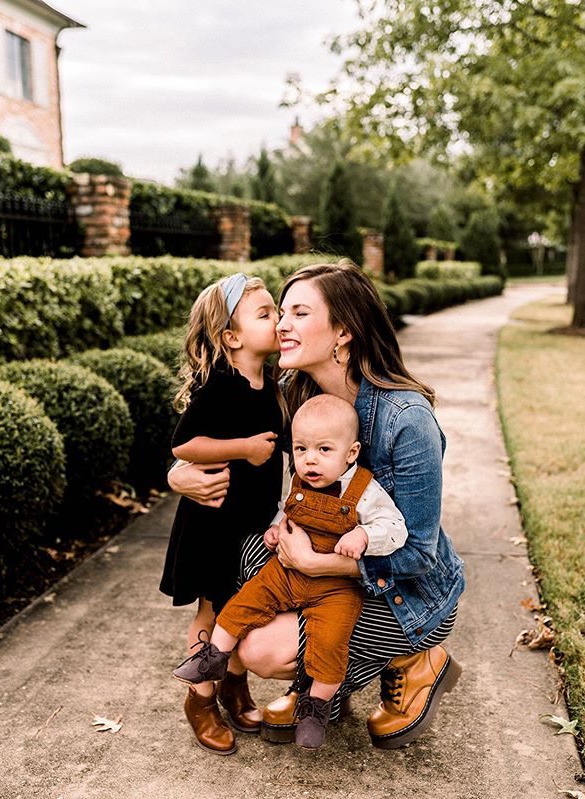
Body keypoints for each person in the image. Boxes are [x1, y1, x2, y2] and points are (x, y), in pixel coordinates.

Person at [168, 259, 465, 750]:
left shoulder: (406, 421)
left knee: (260, 649)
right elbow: (209, 432)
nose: (282, 324)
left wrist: (318, 562)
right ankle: (327, 677)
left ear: (343, 332)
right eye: (279, 313)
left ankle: (414, 661)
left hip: (406, 591)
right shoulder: (294, 395)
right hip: (327, 563)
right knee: (241, 554)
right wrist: (178, 474)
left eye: (299, 313)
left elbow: (419, 555)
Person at [172, 393, 408, 750]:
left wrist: (363, 535)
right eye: (300, 450)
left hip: (336, 586)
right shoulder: (302, 480)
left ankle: (316, 707)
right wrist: (275, 528)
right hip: (287, 573)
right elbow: (288, 511)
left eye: (324, 450)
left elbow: (395, 528)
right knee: (244, 601)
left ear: (352, 453)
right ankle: (213, 659)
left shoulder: (364, 490)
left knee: (330, 642)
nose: (310, 460)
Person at [159, 272, 284, 756]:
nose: (276, 320)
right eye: (265, 313)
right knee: (212, 610)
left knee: (244, 609)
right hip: (212, 523)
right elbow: (185, 443)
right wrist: (245, 450)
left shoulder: (271, 382)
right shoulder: (220, 385)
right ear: (231, 338)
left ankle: (235, 687)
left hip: (252, 524)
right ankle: (202, 697)